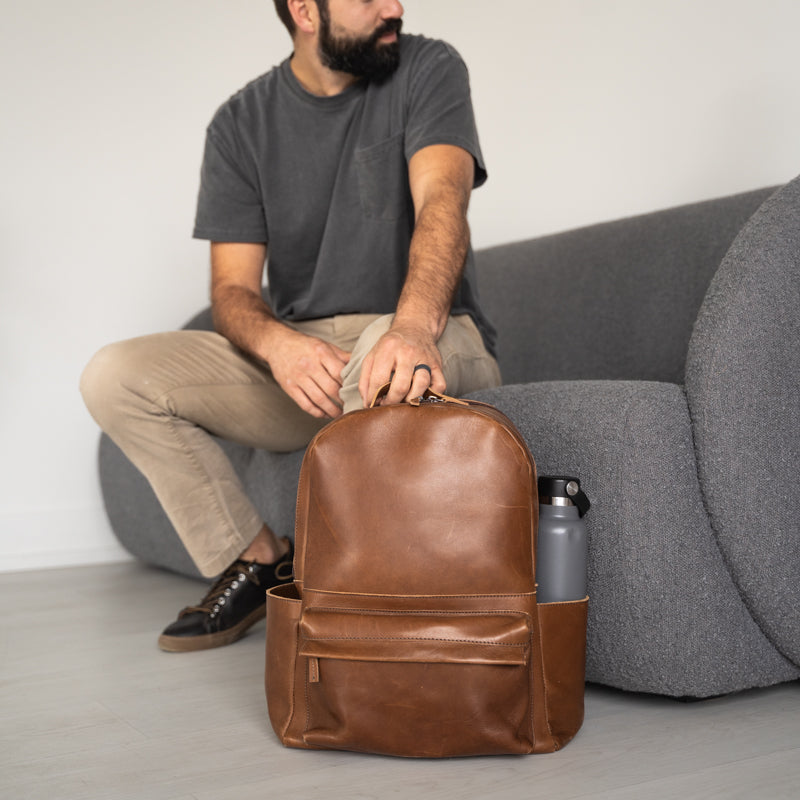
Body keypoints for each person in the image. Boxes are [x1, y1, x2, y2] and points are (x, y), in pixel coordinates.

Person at [80, 0, 501, 652]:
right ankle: (256, 561)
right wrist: (280, 346)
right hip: (312, 357)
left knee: (381, 362)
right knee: (115, 377)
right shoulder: (239, 124)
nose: (394, 7)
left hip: (429, 331)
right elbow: (232, 292)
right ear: (306, 10)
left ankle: (361, 615)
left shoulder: (428, 66)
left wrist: (412, 329)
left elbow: (442, 204)